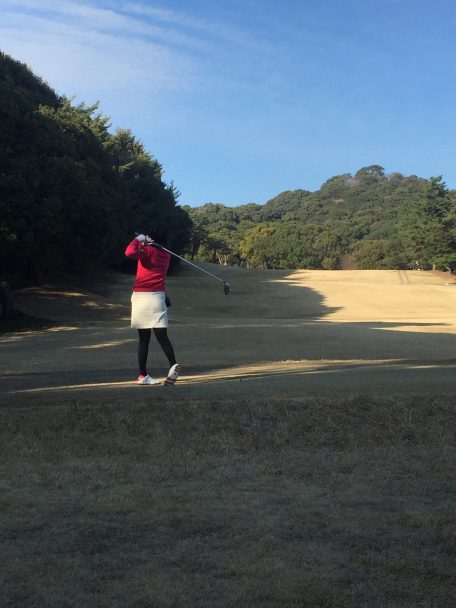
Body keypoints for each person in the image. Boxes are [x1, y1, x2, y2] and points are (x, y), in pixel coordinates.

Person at [125, 229, 182, 386]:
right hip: (157, 297)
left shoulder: (148, 250)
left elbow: (129, 252)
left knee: (144, 339)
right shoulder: (166, 254)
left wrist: (139, 239)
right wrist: (146, 242)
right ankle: (172, 365)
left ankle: (142, 375)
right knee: (162, 336)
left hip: (141, 297)